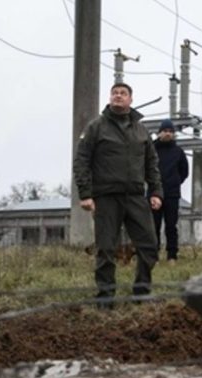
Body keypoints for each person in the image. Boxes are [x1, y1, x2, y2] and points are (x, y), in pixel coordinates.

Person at [73, 82, 163, 305]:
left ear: (131, 99)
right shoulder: (97, 127)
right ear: (110, 98)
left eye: (123, 93)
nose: (118, 96)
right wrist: (85, 194)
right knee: (106, 248)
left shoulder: (141, 130)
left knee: (149, 245)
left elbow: (151, 163)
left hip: (135, 196)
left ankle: (141, 293)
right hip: (106, 196)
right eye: (115, 93)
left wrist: (156, 192)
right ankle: (105, 297)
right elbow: (82, 160)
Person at [152, 118, 189, 263]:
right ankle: (153, 254)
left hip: (172, 194)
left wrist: (174, 182)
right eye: (165, 131)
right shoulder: (152, 149)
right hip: (154, 193)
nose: (167, 134)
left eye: (170, 131)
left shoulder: (178, 152)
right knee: (153, 226)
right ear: (159, 133)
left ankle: (172, 255)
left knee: (171, 226)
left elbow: (184, 172)